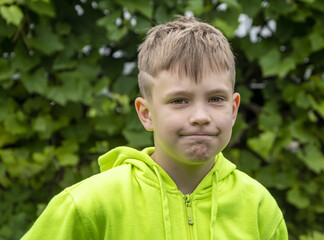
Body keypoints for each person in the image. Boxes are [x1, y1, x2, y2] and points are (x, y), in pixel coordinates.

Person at [21, 16, 288, 240]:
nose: (200, 116)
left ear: (233, 109)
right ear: (146, 114)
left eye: (215, 99)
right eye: (179, 100)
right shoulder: (89, 205)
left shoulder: (258, 208)